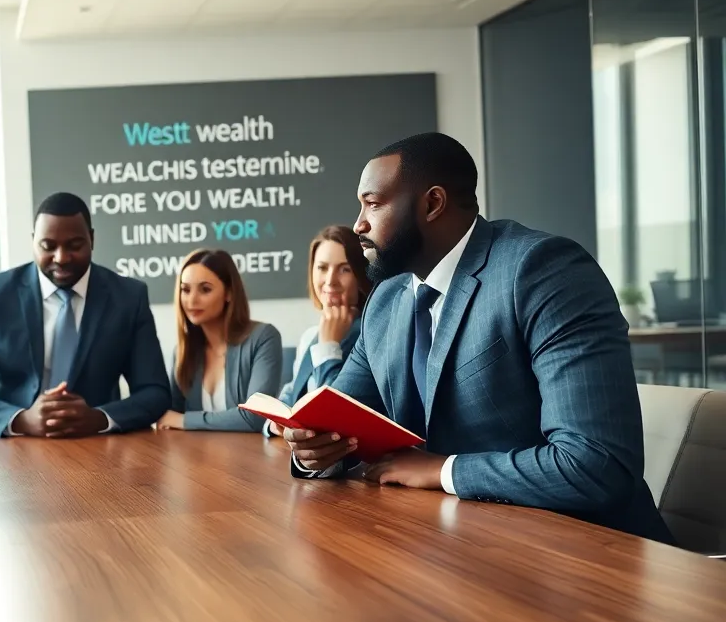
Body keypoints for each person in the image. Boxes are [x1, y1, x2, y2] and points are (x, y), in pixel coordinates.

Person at [283, 132, 674, 544]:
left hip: (586, 553)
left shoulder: (543, 271)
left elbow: (596, 464)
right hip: (454, 542)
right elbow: (341, 421)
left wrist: (442, 469)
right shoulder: (387, 300)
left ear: (433, 204)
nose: (358, 224)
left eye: (373, 204)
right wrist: (315, 453)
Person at [0, 192, 171, 437]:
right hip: (12, 446)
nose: (61, 258)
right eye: (48, 246)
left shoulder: (128, 297)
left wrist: (98, 418)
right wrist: (21, 420)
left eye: (74, 245)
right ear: (33, 241)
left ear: (92, 240)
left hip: (97, 447)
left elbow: (155, 392)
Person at [156, 249, 282, 432]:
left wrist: (184, 421)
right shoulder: (183, 350)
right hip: (195, 456)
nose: (192, 300)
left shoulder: (263, 337)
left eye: (205, 289)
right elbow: (170, 417)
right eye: (185, 290)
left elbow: (256, 417)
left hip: (250, 456)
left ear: (229, 293)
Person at [273, 226, 372, 415]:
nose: (330, 280)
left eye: (345, 269)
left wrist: (329, 345)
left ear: (360, 275)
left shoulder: (370, 335)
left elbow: (331, 413)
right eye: (322, 268)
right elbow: (291, 394)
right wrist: (273, 424)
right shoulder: (310, 335)